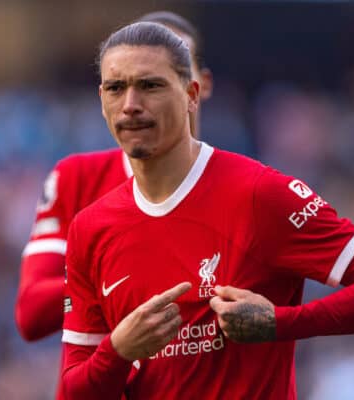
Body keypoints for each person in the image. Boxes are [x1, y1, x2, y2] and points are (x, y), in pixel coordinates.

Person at [61, 21, 354, 399]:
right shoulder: (89, 228)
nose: (131, 105)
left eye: (150, 86)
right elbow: (73, 391)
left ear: (191, 94)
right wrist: (118, 352)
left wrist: (279, 323)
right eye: (116, 88)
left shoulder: (259, 193)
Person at [14, 11, 213, 400]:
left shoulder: (242, 188)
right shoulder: (78, 178)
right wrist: (121, 275)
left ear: (197, 86)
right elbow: (31, 311)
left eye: (169, 69)